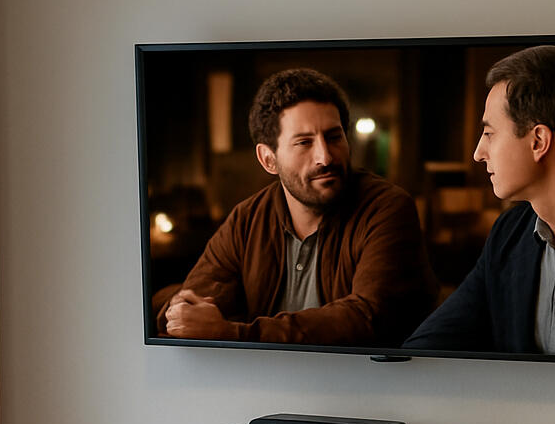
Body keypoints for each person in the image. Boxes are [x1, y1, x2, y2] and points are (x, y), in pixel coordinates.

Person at [156, 68, 436, 346]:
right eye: (304, 142)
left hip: (369, 385)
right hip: (263, 385)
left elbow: (368, 319)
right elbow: (193, 306)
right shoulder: (247, 219)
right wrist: (181, 310)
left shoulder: (387, 208)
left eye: (334, 137)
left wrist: (233, 334)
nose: (325, 157)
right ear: (269, 159)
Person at [403, 46, 555, 359]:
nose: (478, 152)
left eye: (489, 133)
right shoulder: (509, 233)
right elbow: (431, 343)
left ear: (538, 141)